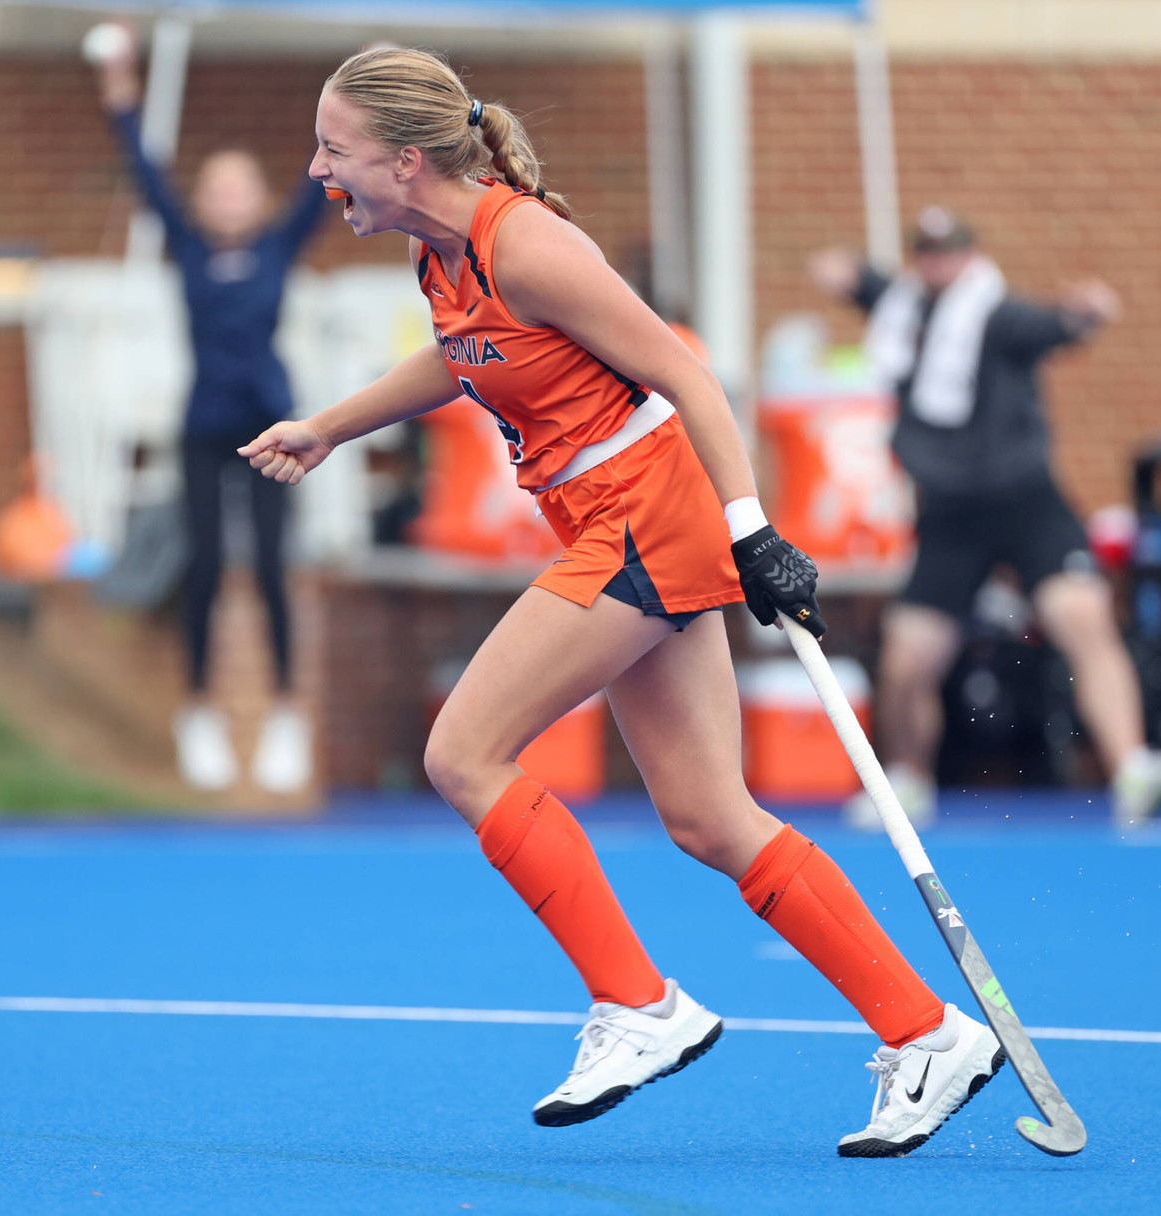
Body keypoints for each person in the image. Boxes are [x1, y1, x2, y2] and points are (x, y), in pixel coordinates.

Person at [241, 47, 1004, 1158]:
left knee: (464, 752)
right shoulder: (440, 258)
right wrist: (328, 426)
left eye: (334, 150)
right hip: (619, 523)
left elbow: (690, 374)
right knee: (705, 814)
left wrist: (755, 532)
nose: (318, 171)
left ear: (406, 161)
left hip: (643, 519)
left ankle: (640, 1004)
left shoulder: (529, 244)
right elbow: (461, 364)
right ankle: (928, 1030)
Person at [809, 208, 1161, 826]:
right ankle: (906, 780)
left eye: (950, 252)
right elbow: (866, 284)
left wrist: (1085, 312)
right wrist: (845, 275)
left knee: (1083, 618)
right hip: (950, 514)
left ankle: (1131, 767)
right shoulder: (904, 311)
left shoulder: (998, 316)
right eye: (927, 253)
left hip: (1025, 500)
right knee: (908, 658)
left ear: (969, 257)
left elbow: (1055, 325)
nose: (939, 263)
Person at [93, 34, 323, 794]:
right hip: (202, 427)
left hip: (270, 425)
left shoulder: (280, 244)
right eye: (215, 189)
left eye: (240, 189)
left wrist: (369, 103)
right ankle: (199, 712)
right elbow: (143, 173)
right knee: (201, 567)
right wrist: (121, 86)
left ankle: (287, 714)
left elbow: (323, 178)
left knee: (267, 563)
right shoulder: (187, 247)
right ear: (202, 201)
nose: (227, 200)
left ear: (258, 201)